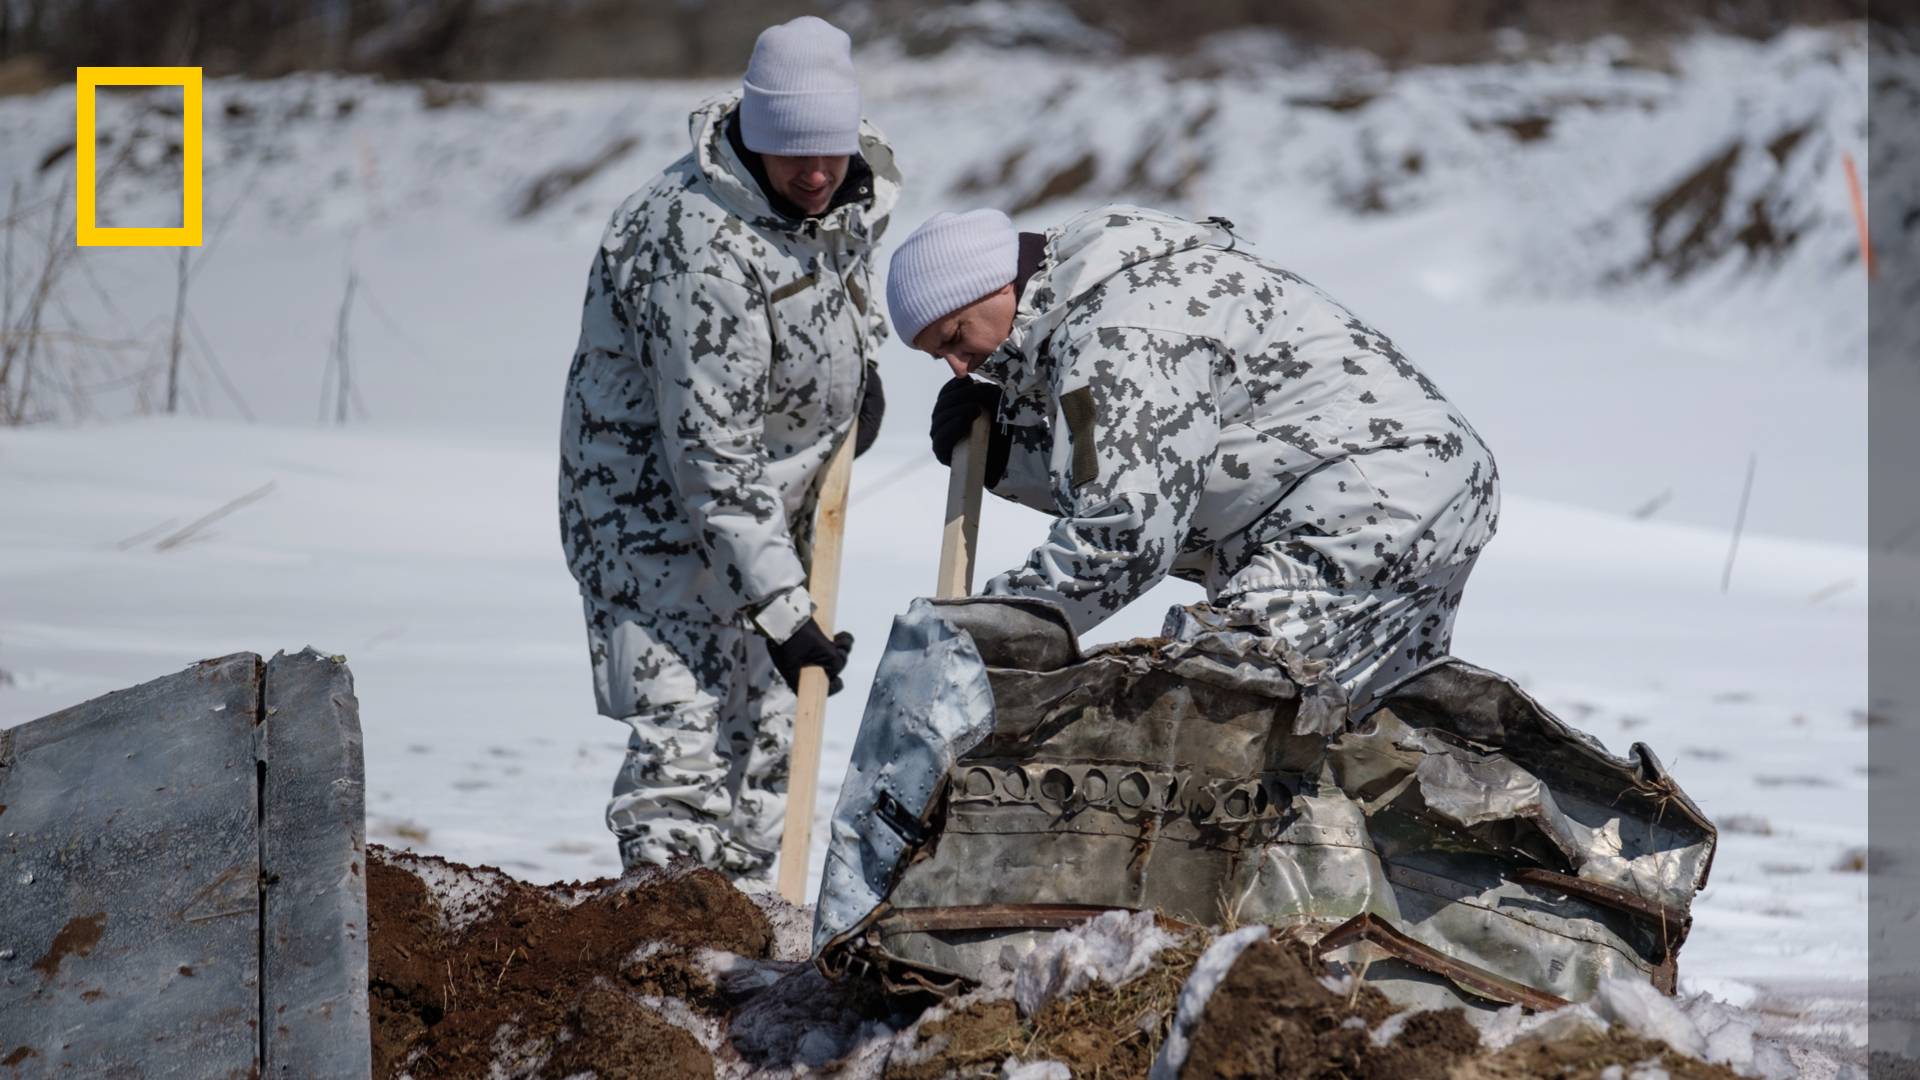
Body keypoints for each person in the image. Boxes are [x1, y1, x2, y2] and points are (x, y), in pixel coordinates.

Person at [885, 205, 1498, 711]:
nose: (959, 367)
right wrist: (1010, 457)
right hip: (1388, 495)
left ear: (993, 288)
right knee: (1342, 737)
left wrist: (980, 636)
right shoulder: (1092, 306)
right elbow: (1144, 468)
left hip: (1365, 506)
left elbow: (1124, 533)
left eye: (956, 337)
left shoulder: (1119, 332)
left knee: (1212, 715)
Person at [558, 16, 898, 882]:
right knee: (687, 746)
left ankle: (748, 965)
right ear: (754, 135)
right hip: (656, 524)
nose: (818, 174)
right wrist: (787, 615)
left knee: (768, 757)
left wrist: (863, 371)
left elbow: (830, 292)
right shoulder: (695, 242)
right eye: (795, 154)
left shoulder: (840, 194)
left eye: (830, 151)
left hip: (769, 521)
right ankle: (661, 965)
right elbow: (708, 456)